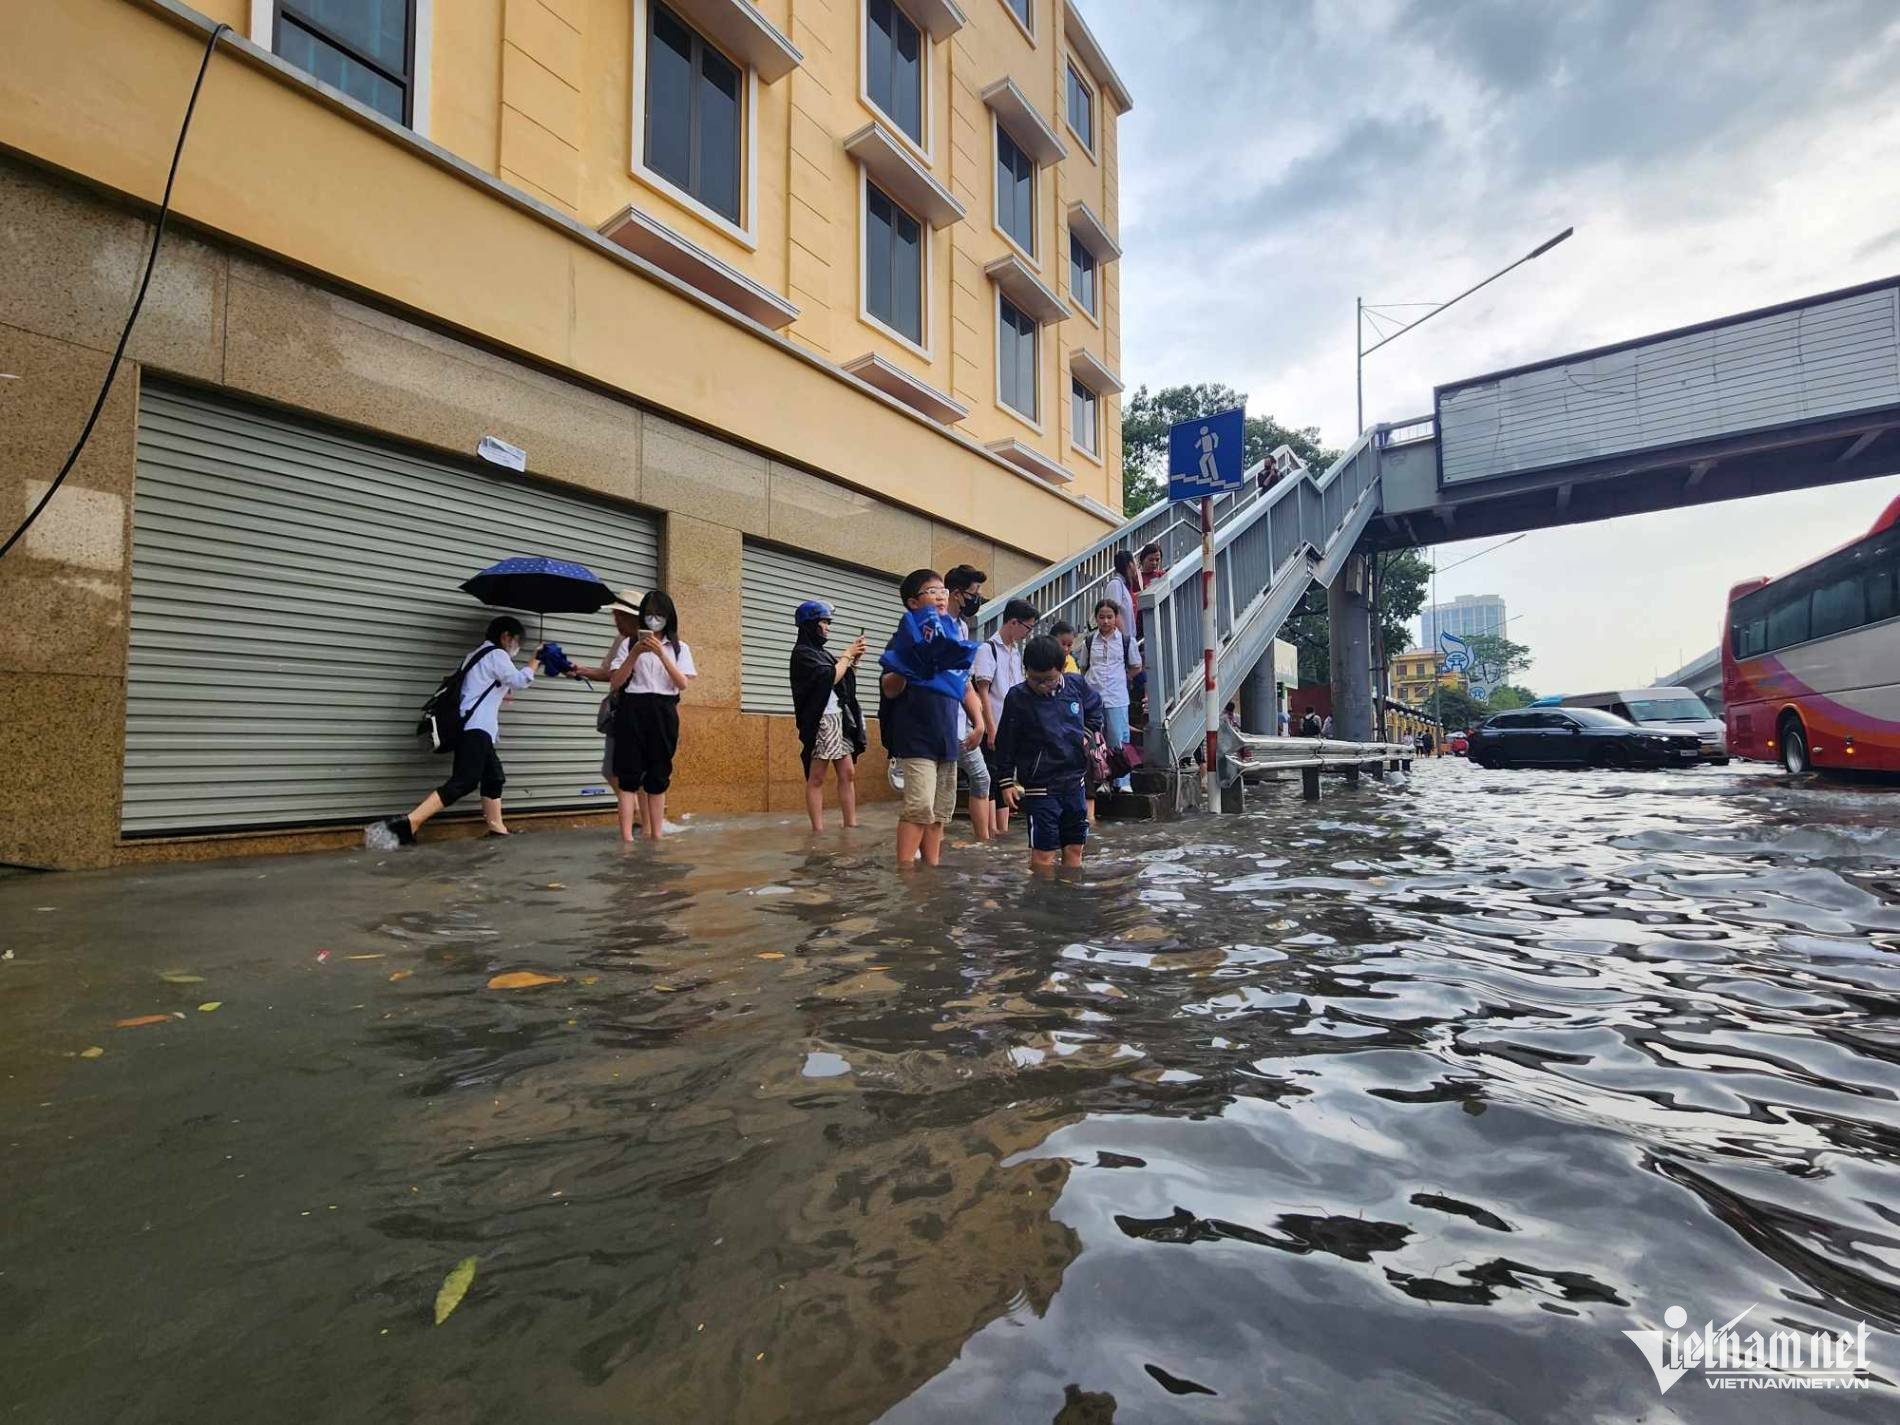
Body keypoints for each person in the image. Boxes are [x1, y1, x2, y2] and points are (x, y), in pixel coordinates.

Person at [377, 616, 541, 845]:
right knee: (464, 781)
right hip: (476, 728)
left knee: (494, 777)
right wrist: (535, 660)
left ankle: (497, 829)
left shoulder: (475, 655)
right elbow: (519, 680)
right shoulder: (496, 654)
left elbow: (481, 689)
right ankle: (409, 823)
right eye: (517, 640)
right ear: (506, 636)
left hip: (474, 728)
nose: (518, 646)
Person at [880, 568, 984, 868]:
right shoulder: (905, 637)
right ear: (914, 603)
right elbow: (889, 688)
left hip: (946, 736)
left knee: (940, 811)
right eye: (932, 591)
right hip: (916, 737)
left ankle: (931, 868)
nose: (941, 596)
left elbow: (964, 684)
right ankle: (906, 872)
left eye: (943, 591)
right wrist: (907, 666)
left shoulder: (951, 636)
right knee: (919, 807)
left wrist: (978, 721)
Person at [994, 635, 1105, 873]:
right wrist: (1005, 782)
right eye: (1036, 680)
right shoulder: (1018, 697)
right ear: (1027, 672)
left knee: (1075, 848)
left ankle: (1069, 893)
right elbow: (1006, 743)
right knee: (1043, 853)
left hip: (1075, 784)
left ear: (1063, 668)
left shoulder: (1076, 686)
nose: (1043, 686)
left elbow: (1096, 708)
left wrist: (1085, 735)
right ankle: (1042, 901)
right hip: (1040, 789)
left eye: (1049, 680)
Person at [608, 590, 695, 842]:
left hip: (664, 710)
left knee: (658, 774)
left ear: (669, 617)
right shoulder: (627, 644)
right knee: (628, 775)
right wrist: (635, 653)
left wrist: (661, 653)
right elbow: (615, 682)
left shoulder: (679, 647)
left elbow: (682, 683)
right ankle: (626, 838)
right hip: (632, 707)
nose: (654, 620)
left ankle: (656, 836)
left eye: (659, 615)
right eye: (649, 615)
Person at [789, 599, 867, 832]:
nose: (828, 627)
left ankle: (850, 824)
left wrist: (854, 660)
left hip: (839, 718)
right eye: (824, 622)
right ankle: (818, 830)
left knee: (847, 772)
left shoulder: (820, 653)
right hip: (822, 720)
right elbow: (828, 678)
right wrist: (846, 655)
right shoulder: (803, 653)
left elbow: (841, 678)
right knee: (817, 776)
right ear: (811, 624)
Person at [568, 588, 644, 814]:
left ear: (634, 617)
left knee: (637, 772)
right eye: (614, 615)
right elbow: (609, 673)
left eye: (620, 616)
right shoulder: (621, 640)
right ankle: (638, 815)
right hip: (619, 712)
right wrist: (579, 670)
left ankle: (644, 818)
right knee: (612, 770)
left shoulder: (651, 641)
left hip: (640, 713)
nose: (616, 620)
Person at [972, 597, 1038, 836]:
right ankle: (988, 832)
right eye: (1027, 628)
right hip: (994, 722)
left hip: (1011, 726)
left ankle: (1001, 830)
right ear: (1013, 622)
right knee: (989, 777)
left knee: (1004, 778)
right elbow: (983, 692)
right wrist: (990, 727)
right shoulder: (987, 649)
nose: (1027, 634)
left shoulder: (1015, 652)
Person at [944, 564, 995, 841]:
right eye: (974, 593)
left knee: (981, 778)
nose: (977, 598)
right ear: (956, 594)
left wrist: (978, 722)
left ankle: (983, 840)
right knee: (942, 790)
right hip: (941, 724)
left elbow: (964, 680)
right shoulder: (938, 625)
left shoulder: (962, 627)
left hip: (961, 724)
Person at [1077, 598, 1141, 791]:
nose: (1105, 621)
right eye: (1101, 617)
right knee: (1096, 738)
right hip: (1094, 697)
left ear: (1116, 618)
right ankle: (1102, 779)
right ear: (1096, 618)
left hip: (1116, 695)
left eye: (1109, 617)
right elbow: (1083, 667)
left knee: (1118, 737)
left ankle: (1123, 781)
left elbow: (1136, 666)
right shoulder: (1089, 641)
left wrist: (1123, 678)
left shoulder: (1125, 641)